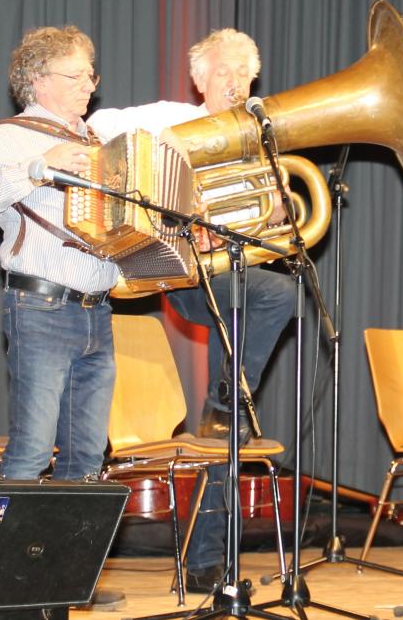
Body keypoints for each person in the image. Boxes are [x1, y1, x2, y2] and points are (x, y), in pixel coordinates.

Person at [90, 29, 296, 593]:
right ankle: (231, 402)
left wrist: (274, 209)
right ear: (199, 79)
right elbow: (100, 126)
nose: (234, 83)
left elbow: (273, 220)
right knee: (279, 295)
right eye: (223, 72)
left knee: (223, 438)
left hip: (235, 275)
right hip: (186, 275)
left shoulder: (261, 135)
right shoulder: (169, 116)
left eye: (244, 75)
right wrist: (176, 198)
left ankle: (207, 558)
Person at [0, 25, 125, 611]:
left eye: (91, 74)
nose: (90, 87)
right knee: (28, 454)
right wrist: (35, 168)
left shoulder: (99, 139)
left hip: (97, 315)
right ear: (38, 81)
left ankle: (62, 580)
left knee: (86, 459)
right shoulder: (12, 136)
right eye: (76, 76)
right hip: (40, 307)